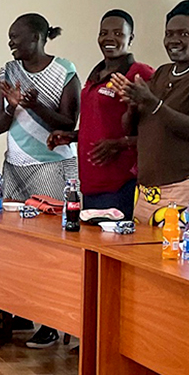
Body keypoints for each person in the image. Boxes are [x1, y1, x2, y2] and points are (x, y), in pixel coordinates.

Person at [107, 0, 189, 225]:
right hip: (150, 189)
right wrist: (133, 103)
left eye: (184, 34)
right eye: (169, 34)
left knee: (187, 258)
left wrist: (152, 102)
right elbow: (133, 128)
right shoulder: (162, 73)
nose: (173, 40)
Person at [46, 11, 151, 220]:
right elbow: (102, 121)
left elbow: (156, 131)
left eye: (118, 33)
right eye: (103, 33)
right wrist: (73, 136)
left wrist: (120, 144)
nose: (109, 38)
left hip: (121, 182)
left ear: (131, 38)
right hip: (91, 181)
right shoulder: (97, 74)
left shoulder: (140, 74)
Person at [0, 14, 80, 202]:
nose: (10, 43)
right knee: (12, 228)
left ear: (35, 37)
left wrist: (36, 107)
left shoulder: (64, 70)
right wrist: (12, 108)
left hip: (53, 166)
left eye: (14, 36)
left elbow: (69, 125)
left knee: (52, 227)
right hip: (14, 167)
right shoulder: (9, 71)